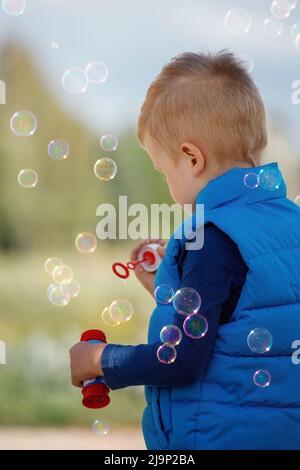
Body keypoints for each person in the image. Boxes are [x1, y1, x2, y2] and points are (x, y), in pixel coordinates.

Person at [70, 50, 300, 450]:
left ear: (192, 158)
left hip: (216, 439)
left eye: (163, 170)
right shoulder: (289, 222)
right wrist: (169, 285)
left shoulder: (214, 238)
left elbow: (179, 359)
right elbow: (237, 314)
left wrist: (101, 360)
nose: (165, 183)